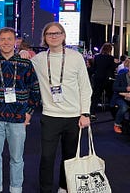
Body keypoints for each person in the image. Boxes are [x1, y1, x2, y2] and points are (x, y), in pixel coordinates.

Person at [20, 22, 92, 193]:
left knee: (69, 157)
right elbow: (23, 66)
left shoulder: (76, 57)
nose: (53, 36)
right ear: (44, 38)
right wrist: (21, 52)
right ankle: (45, 189)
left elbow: (85, 87)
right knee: (47, 157)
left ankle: (64, 187)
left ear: (64, 36)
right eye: (49, 34)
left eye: (57, 33)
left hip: (74, 116)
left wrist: (85, 113)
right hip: (50, 116)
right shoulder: (39, 59)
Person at [0, 27, 41, 193]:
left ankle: (16, 188)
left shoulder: (25, 63)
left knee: (17, 158)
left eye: (9, 39)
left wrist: (29, 112)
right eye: (3, 39)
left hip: (18, 117)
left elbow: (35, 89)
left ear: (15, 42)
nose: (6, 42)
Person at [90, 43, 116, 120]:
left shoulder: (97, 57)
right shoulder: (111, 58)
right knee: (111, 97)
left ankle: (92, 114)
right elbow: (112, 68)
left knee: (95, 97)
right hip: (107, 80)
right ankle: (114, 115)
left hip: (98, 79)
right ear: (110, 50)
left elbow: (94, 68)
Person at [110, 58, 130, 134]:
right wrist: (125, 88)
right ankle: (117, 124)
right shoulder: (121, 76)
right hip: (119, 97)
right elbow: (114, 88)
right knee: (124, 107)